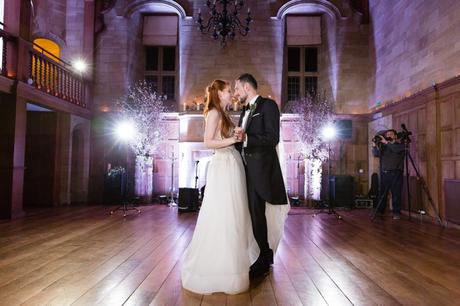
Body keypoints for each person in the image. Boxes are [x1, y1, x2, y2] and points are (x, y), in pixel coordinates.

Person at [181, 80, 253, 295]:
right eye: (229, 90)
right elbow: (208, 142)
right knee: (222, 212)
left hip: (232, 163)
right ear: (220, 93)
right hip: (223, 165)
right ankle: (216, 267)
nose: (232, 93)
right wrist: (232, 139)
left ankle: (231, 262)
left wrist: (236, 138)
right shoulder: (213, 112)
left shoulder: (223, 112)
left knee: (234, 214)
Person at [233, 73, 289, 278]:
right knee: (254, 214)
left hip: (263, 170)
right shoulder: (245, 110)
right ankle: (264, 255)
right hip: (248, 170)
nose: (235, 93)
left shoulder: (268, 106)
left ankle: (264, 259)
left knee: (259, 214)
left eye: (237, 89)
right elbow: (243, 141)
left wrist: (247, 137)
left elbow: (272, 138)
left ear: (247, 87)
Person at [372, 129, 405, 219]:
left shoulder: (400, 145)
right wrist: (374, 146)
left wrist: (387, 143)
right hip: (384, 173)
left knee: (396, 194)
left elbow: (396, 150)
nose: (388, 135)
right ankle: (380, 211)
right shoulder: (384, 147)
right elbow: (376, 154)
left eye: (391, 134)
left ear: (395, 136)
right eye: (387, 134)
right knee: (382, 193)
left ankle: (396, 213)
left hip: (396, 173)